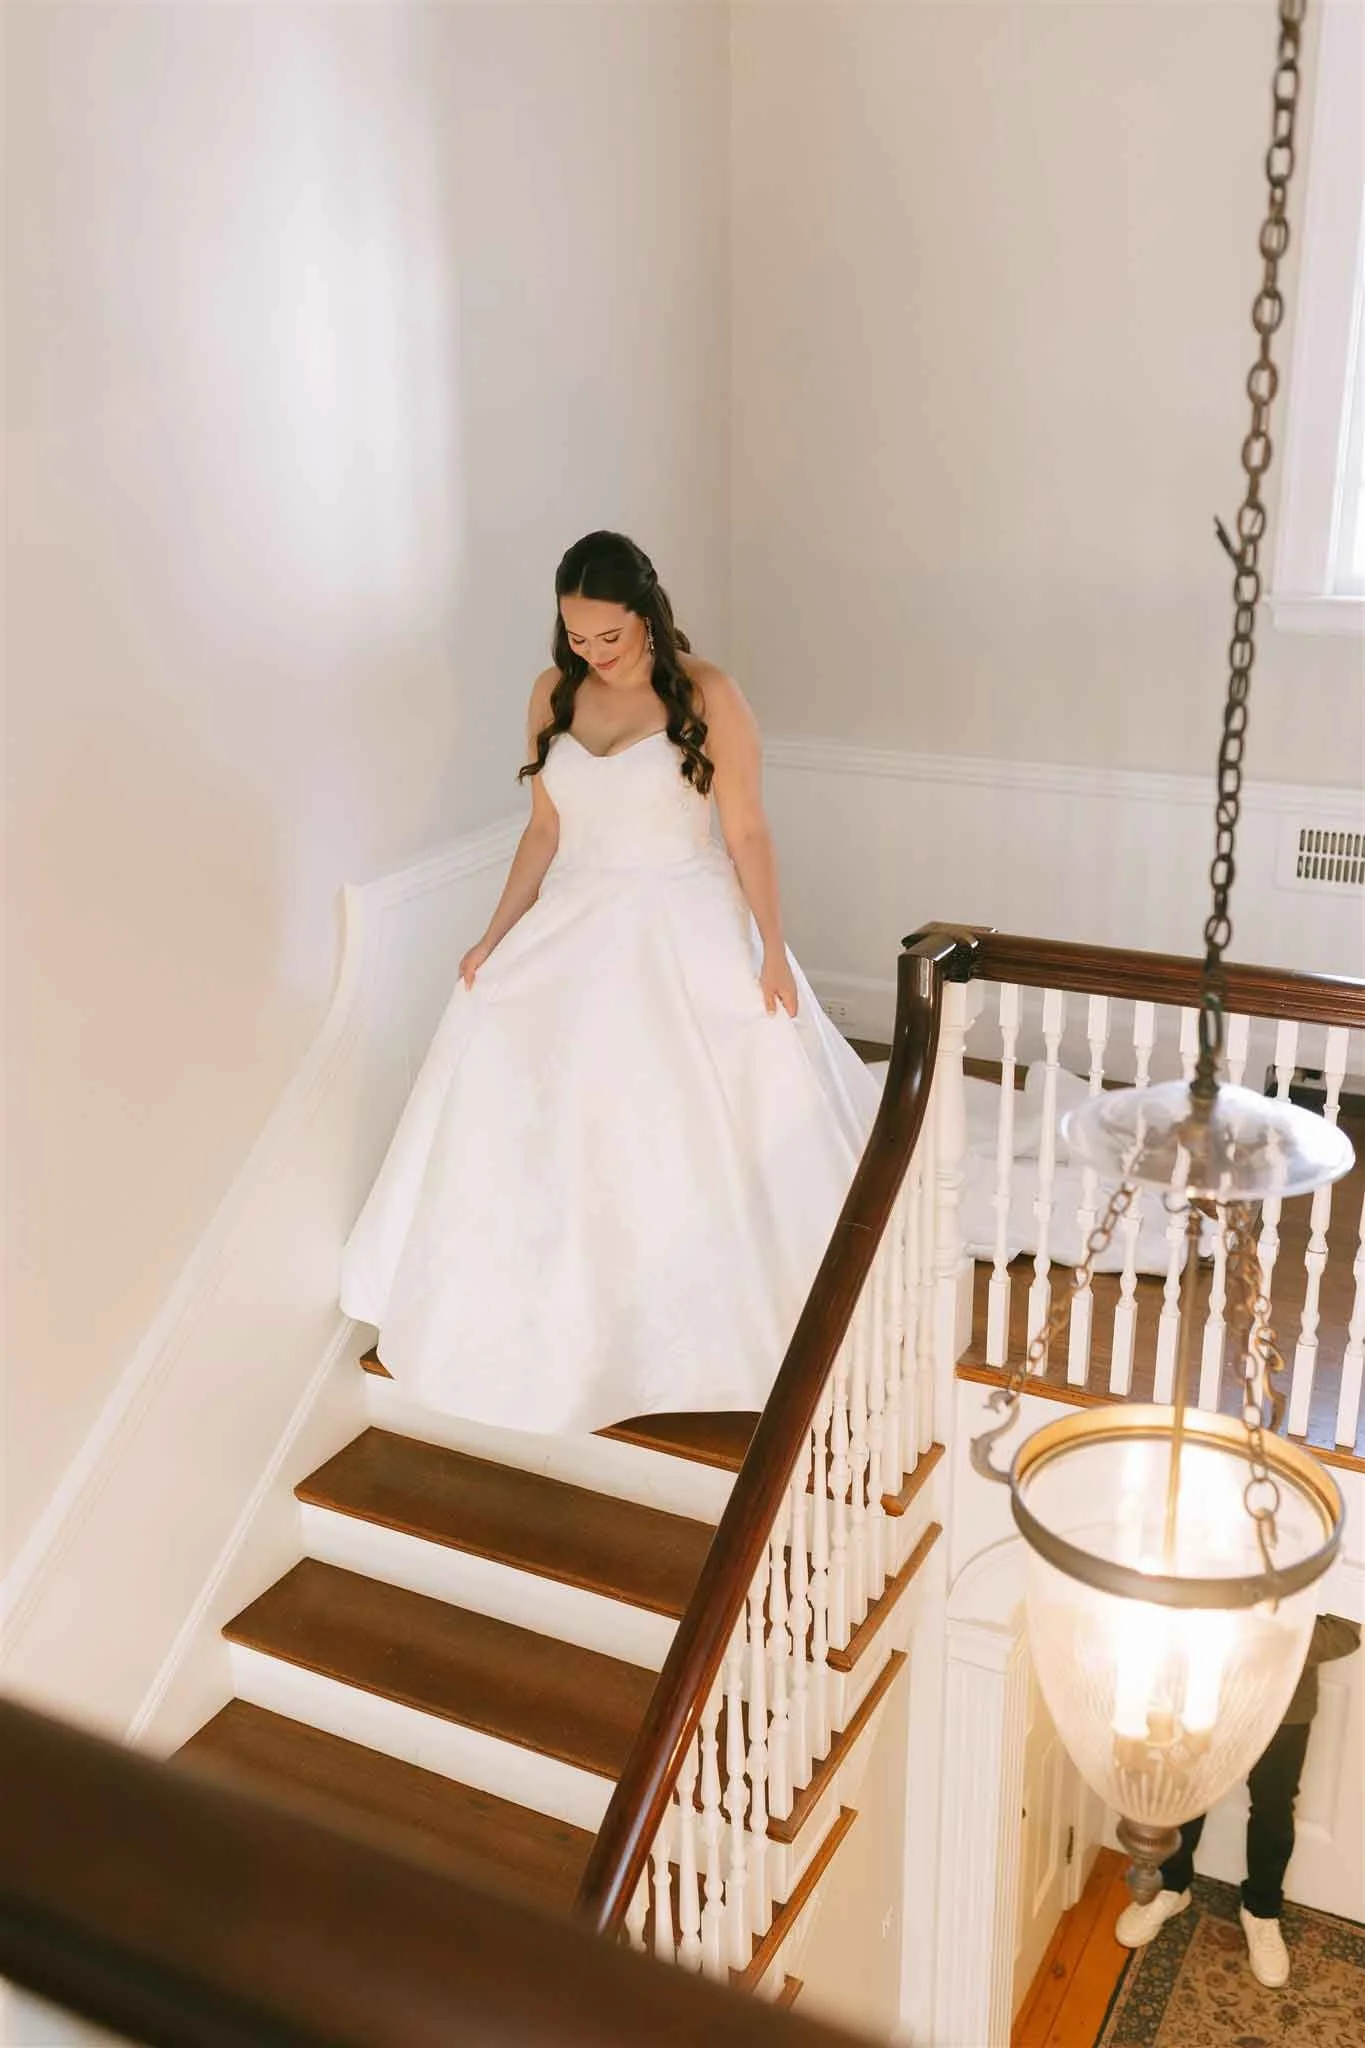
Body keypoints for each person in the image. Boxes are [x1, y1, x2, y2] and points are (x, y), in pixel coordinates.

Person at [340, 531, 881, 1433]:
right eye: (577, 637)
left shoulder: (708, 693)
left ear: (647, 614)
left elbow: (745, 830)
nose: (591, 654)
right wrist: (491, 936)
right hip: (576, 922)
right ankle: (557, 1335)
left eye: (609, 638)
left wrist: (773, 949)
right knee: (545, 1098)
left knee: (694, 1115)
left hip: (684, 920)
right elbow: (544, 833)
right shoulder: (551, 694)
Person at [1115, 1613, 1361, 1987]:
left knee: (1274, 1804)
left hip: (1285, 1706)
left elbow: (1344, 1632)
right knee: (1186, 1788)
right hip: (1205, 1692)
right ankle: (1170, 1886)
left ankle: (1262, 1910)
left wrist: (1260, 1642)